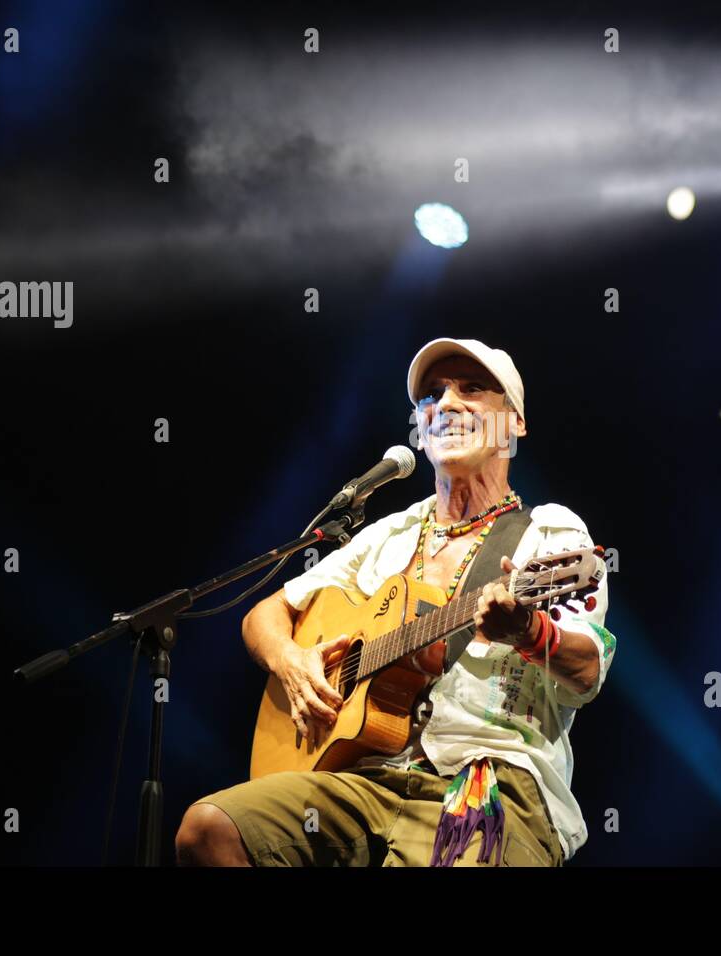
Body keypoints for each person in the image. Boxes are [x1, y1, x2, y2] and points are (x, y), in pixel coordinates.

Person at [175, 337, 615, 866]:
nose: (447, 404)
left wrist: (527, 631)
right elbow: (265, 614)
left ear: (515, 423)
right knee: (209, 830)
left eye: (471, 389)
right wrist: (292, 663)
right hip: (362, 779)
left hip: (488, 788)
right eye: (432, 395)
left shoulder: (550, 532)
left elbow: (586, 671)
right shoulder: (388, 534)